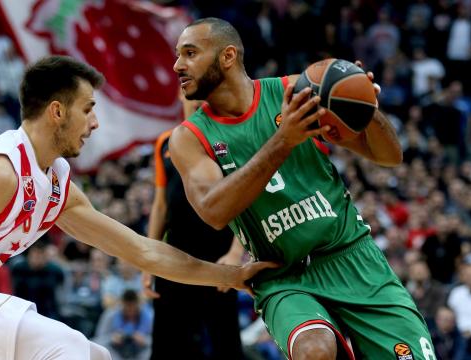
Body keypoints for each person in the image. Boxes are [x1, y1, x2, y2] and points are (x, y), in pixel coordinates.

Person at [0, 55, 275, 360]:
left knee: (95, 356)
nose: (95, 123)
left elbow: (142, 251)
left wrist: (230, 276)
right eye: (88, 108)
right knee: (68, 351)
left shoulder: (56, 185)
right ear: (57, 112)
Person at [169, 17, 435, 360]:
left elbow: (389, 156)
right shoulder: (189, 137)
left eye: (189, 53)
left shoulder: (294, 91)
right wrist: (283, 140)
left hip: (351, 256)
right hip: (284, 275)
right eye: (178, 55)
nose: (178, 65)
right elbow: (214, 211)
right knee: (314, 351)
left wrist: (364, 107)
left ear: (228, 56)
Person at [142, 95, 244, 359]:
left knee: (225, 342)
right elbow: (160, 205)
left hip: (219, 254)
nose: (197, 99)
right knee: (166, 343)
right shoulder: (165, 141)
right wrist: (147, 261)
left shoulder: (228, 138)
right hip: (175, 254)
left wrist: (235, 253)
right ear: (179, 94)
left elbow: (246, 200)